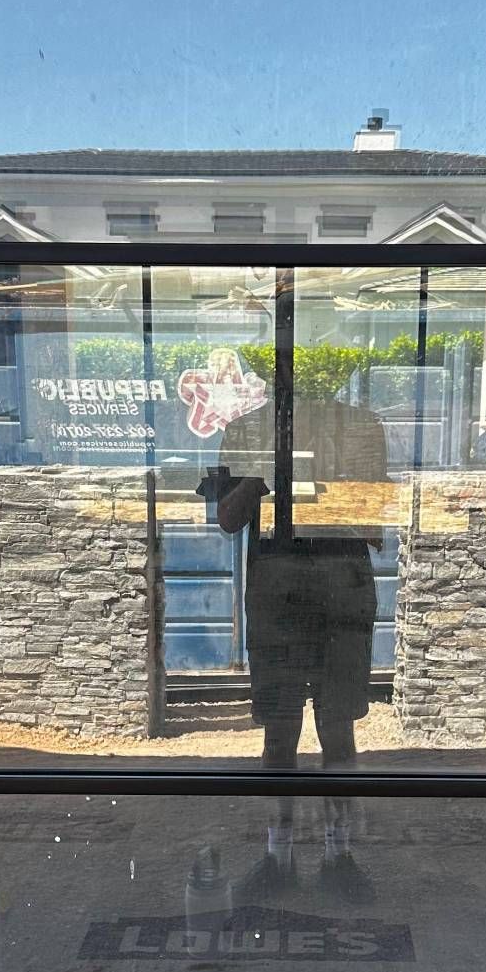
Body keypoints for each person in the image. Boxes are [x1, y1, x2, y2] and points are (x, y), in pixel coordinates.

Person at [202, 376, 390, 905]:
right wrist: (262, 474)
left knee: (337, 730)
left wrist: (334, 488)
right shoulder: (245, 432)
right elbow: (227, 519)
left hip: (331, 594)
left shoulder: (360, 432)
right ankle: (281, 853)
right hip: (283, 596)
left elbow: (375, 524)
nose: (302, 404)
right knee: (281, 732)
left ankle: (337, 852)